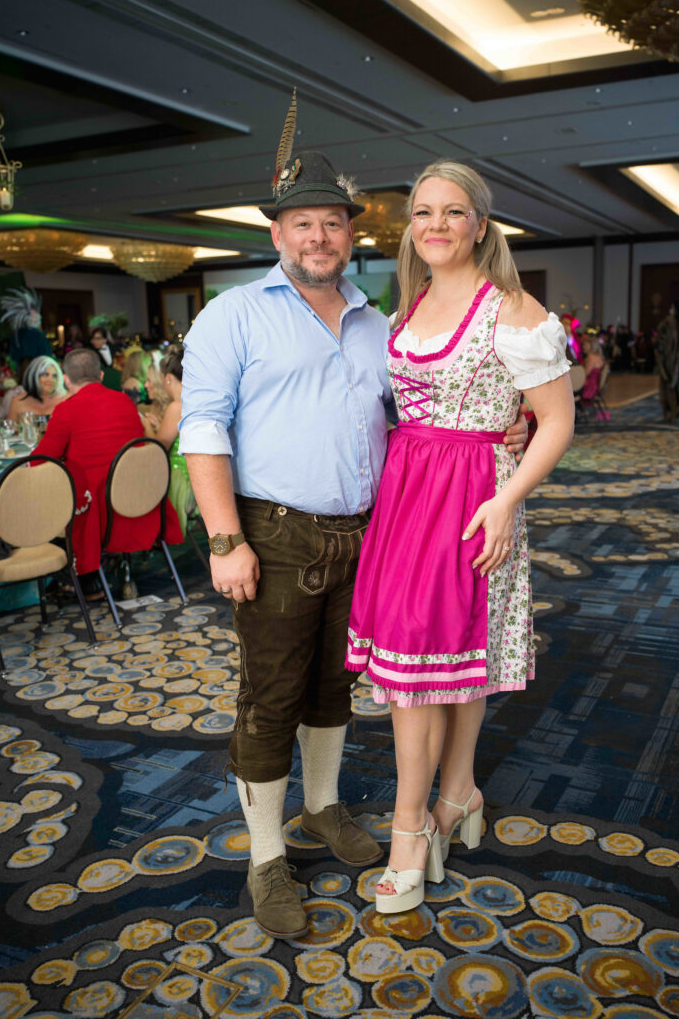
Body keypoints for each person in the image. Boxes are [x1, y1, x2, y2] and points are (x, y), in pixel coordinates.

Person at [179, 134, 534, 938]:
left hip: (375, 533)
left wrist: (506, 427)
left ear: (353, 234)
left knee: (337, 684)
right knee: (270, 696)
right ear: (276, 235)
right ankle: (267, 855)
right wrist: (225, 537)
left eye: (332, 224)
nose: (317, 238)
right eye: (300, 225)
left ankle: (324, 806)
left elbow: (428, 409)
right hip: (270, 534)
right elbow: (201, 427)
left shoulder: (384, 320)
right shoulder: (234, 313)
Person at [345, 160, 575, 914]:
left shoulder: (510, 305)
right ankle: (459, 794)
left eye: (452, 212)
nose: (436, 225)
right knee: (439, 658)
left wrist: (507, 500)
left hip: (475, 494)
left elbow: (558, 420)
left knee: (427, 659)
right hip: (410, 489)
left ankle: (411, 827)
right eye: (422, 212)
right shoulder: (408, 303)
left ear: (481, 224)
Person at [32, 348, 182, 597]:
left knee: (49, 494)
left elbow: (40, 460)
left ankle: (77, 576)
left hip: (99, 512)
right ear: (101, 375)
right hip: (141, 498)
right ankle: (85, 577)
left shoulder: (66, 410)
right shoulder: (124, 401)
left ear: (66, 380)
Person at [142, 345, 194, 536]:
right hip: (190, 472)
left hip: (176, 476)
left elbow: (159, 448)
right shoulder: (192, 400)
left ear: (169, 378)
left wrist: (146, 426)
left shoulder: (176, 406)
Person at [7, 355, 67, 423]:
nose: (50, 379)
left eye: (54, 376)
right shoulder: (18, 402)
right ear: (35, 376)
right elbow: (10, 430)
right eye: (46, 375)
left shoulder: (66, 399)